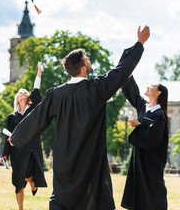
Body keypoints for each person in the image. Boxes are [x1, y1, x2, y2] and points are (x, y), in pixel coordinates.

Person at [10, 26, 151, 210]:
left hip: (64, 165)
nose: (90, 61)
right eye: (87, 59)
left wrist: (16, 137)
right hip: (90, 166)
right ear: (83, 69)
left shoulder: (56, 94)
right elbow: (121, 71)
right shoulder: (97, 89)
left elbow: (37, 118)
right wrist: (139, 43)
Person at [1, 62, 47, 210]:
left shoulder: (33, 110)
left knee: (26, 174)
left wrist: (39, 72)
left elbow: (36, 89)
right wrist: (5, 154)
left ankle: (33, 182)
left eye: (25, 92)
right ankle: (21, 208)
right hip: (17, 151)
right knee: (18, 180)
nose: (23, 93)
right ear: (17, 98)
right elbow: (8, 136)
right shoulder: (12, 117)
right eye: (20, 92)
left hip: (31, 149)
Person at [121, 77, 168, 210]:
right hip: (139, 159)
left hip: (151, 161)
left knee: (152, 190)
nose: (148, 86)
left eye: (152, 85)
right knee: (139, 191)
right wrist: (128, 74)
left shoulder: (159, 115)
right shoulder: (144, 108)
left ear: (158, 93)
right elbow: (133, 93)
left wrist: (138, 125)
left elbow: (153, 139)